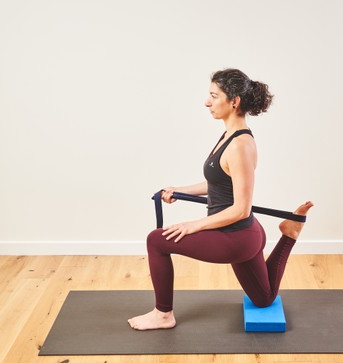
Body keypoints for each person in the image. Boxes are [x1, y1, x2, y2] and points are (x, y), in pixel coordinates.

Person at [128, 68, 313, 330]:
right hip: (245, 234)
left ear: (234, 101)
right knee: (264, 299)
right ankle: (289, 233)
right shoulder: (229, 135)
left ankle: (163, 314)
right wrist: (179, 191)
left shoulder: (240, 145)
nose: (207, 102)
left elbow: (240, 208)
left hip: (235, 237)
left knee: (156, 241)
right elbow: (219, 183)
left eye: (214, 96)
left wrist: (193, 225)